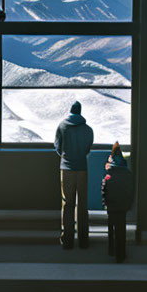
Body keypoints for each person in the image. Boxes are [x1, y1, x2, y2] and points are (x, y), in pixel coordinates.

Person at [54, 100, 94, 249]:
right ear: (80, 112)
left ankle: (67, 239)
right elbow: (88, 149)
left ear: (70, 112)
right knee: (82, 204)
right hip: (82, 168)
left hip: (66, 168)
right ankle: (84, 240)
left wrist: (65, 157)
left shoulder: (62, 126)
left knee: (68, 204)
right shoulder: (88, 129)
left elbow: (57, 146)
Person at [101, 141, 135, 263]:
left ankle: (112, 250)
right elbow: (131, 190)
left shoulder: (109, 174)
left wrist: (105, 203)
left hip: (111, 206)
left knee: (111, 228)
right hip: (123, 206)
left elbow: (104, 190)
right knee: (121, 229)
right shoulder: (128, 174)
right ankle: (121, 253)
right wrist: (128, 204)